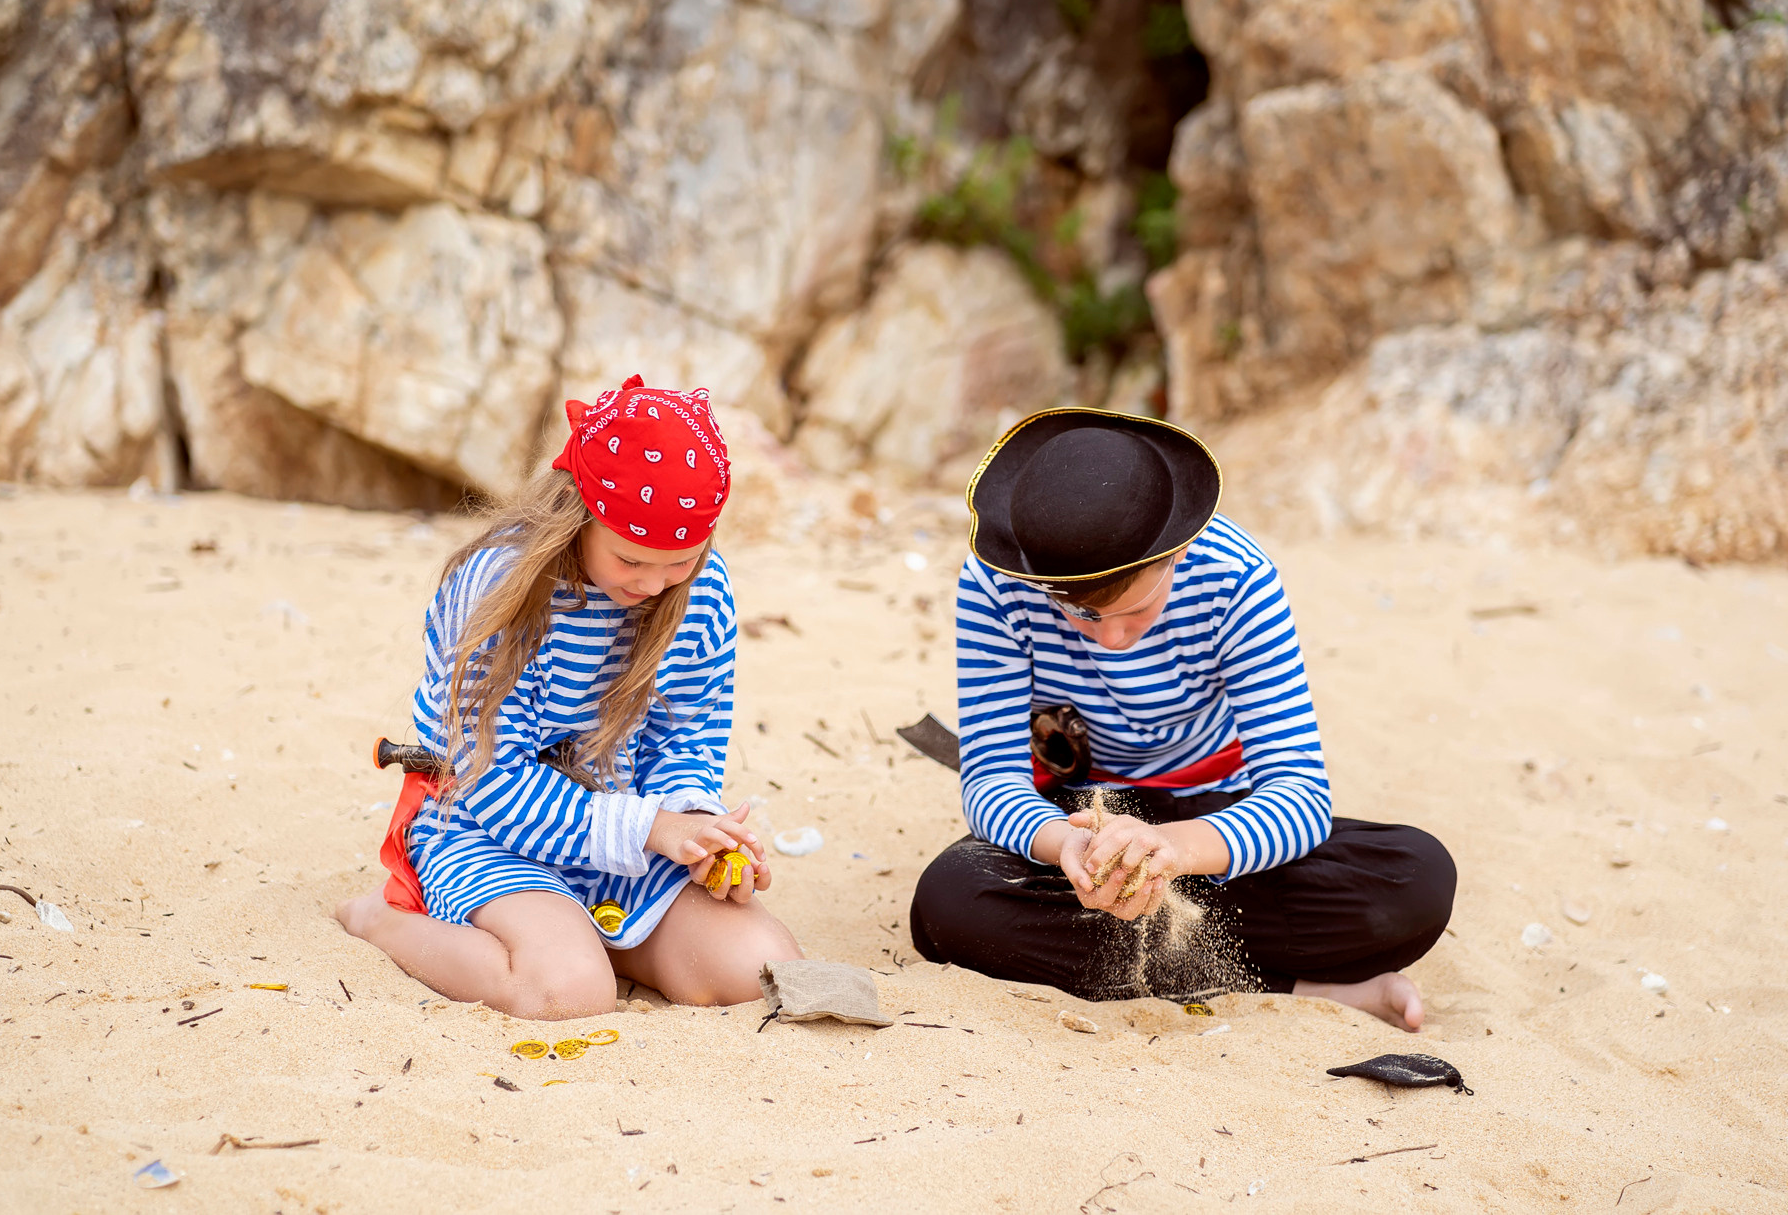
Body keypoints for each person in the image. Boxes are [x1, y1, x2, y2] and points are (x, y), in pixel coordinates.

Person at [908, 408, 1455, 1030]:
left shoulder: (1237, 577)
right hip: (1082, 812)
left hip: (1212, 810)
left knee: (1418, 877)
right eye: (1085, 616)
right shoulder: (999, 583)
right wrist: (1072, 846)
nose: (1113, 641)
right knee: (948, 902)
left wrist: (1169, 851)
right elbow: (990, 780)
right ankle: (1291, 987)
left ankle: (1166, 945)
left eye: (1136, 609)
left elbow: (1300, 796)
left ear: (1178, 553)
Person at [336, 377, 800, 1019]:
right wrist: (654, 830)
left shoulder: (700, 591)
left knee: (763, 967)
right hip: (486, 829)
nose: (655, 582)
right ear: (580, 516)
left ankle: (588, 934)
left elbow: (686, 738)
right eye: (631, 559)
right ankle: (383, 921)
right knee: (567, 994)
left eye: (680, 561)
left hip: (628, 829)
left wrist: (697, 832)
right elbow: (487, 779)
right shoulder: (500, 589)